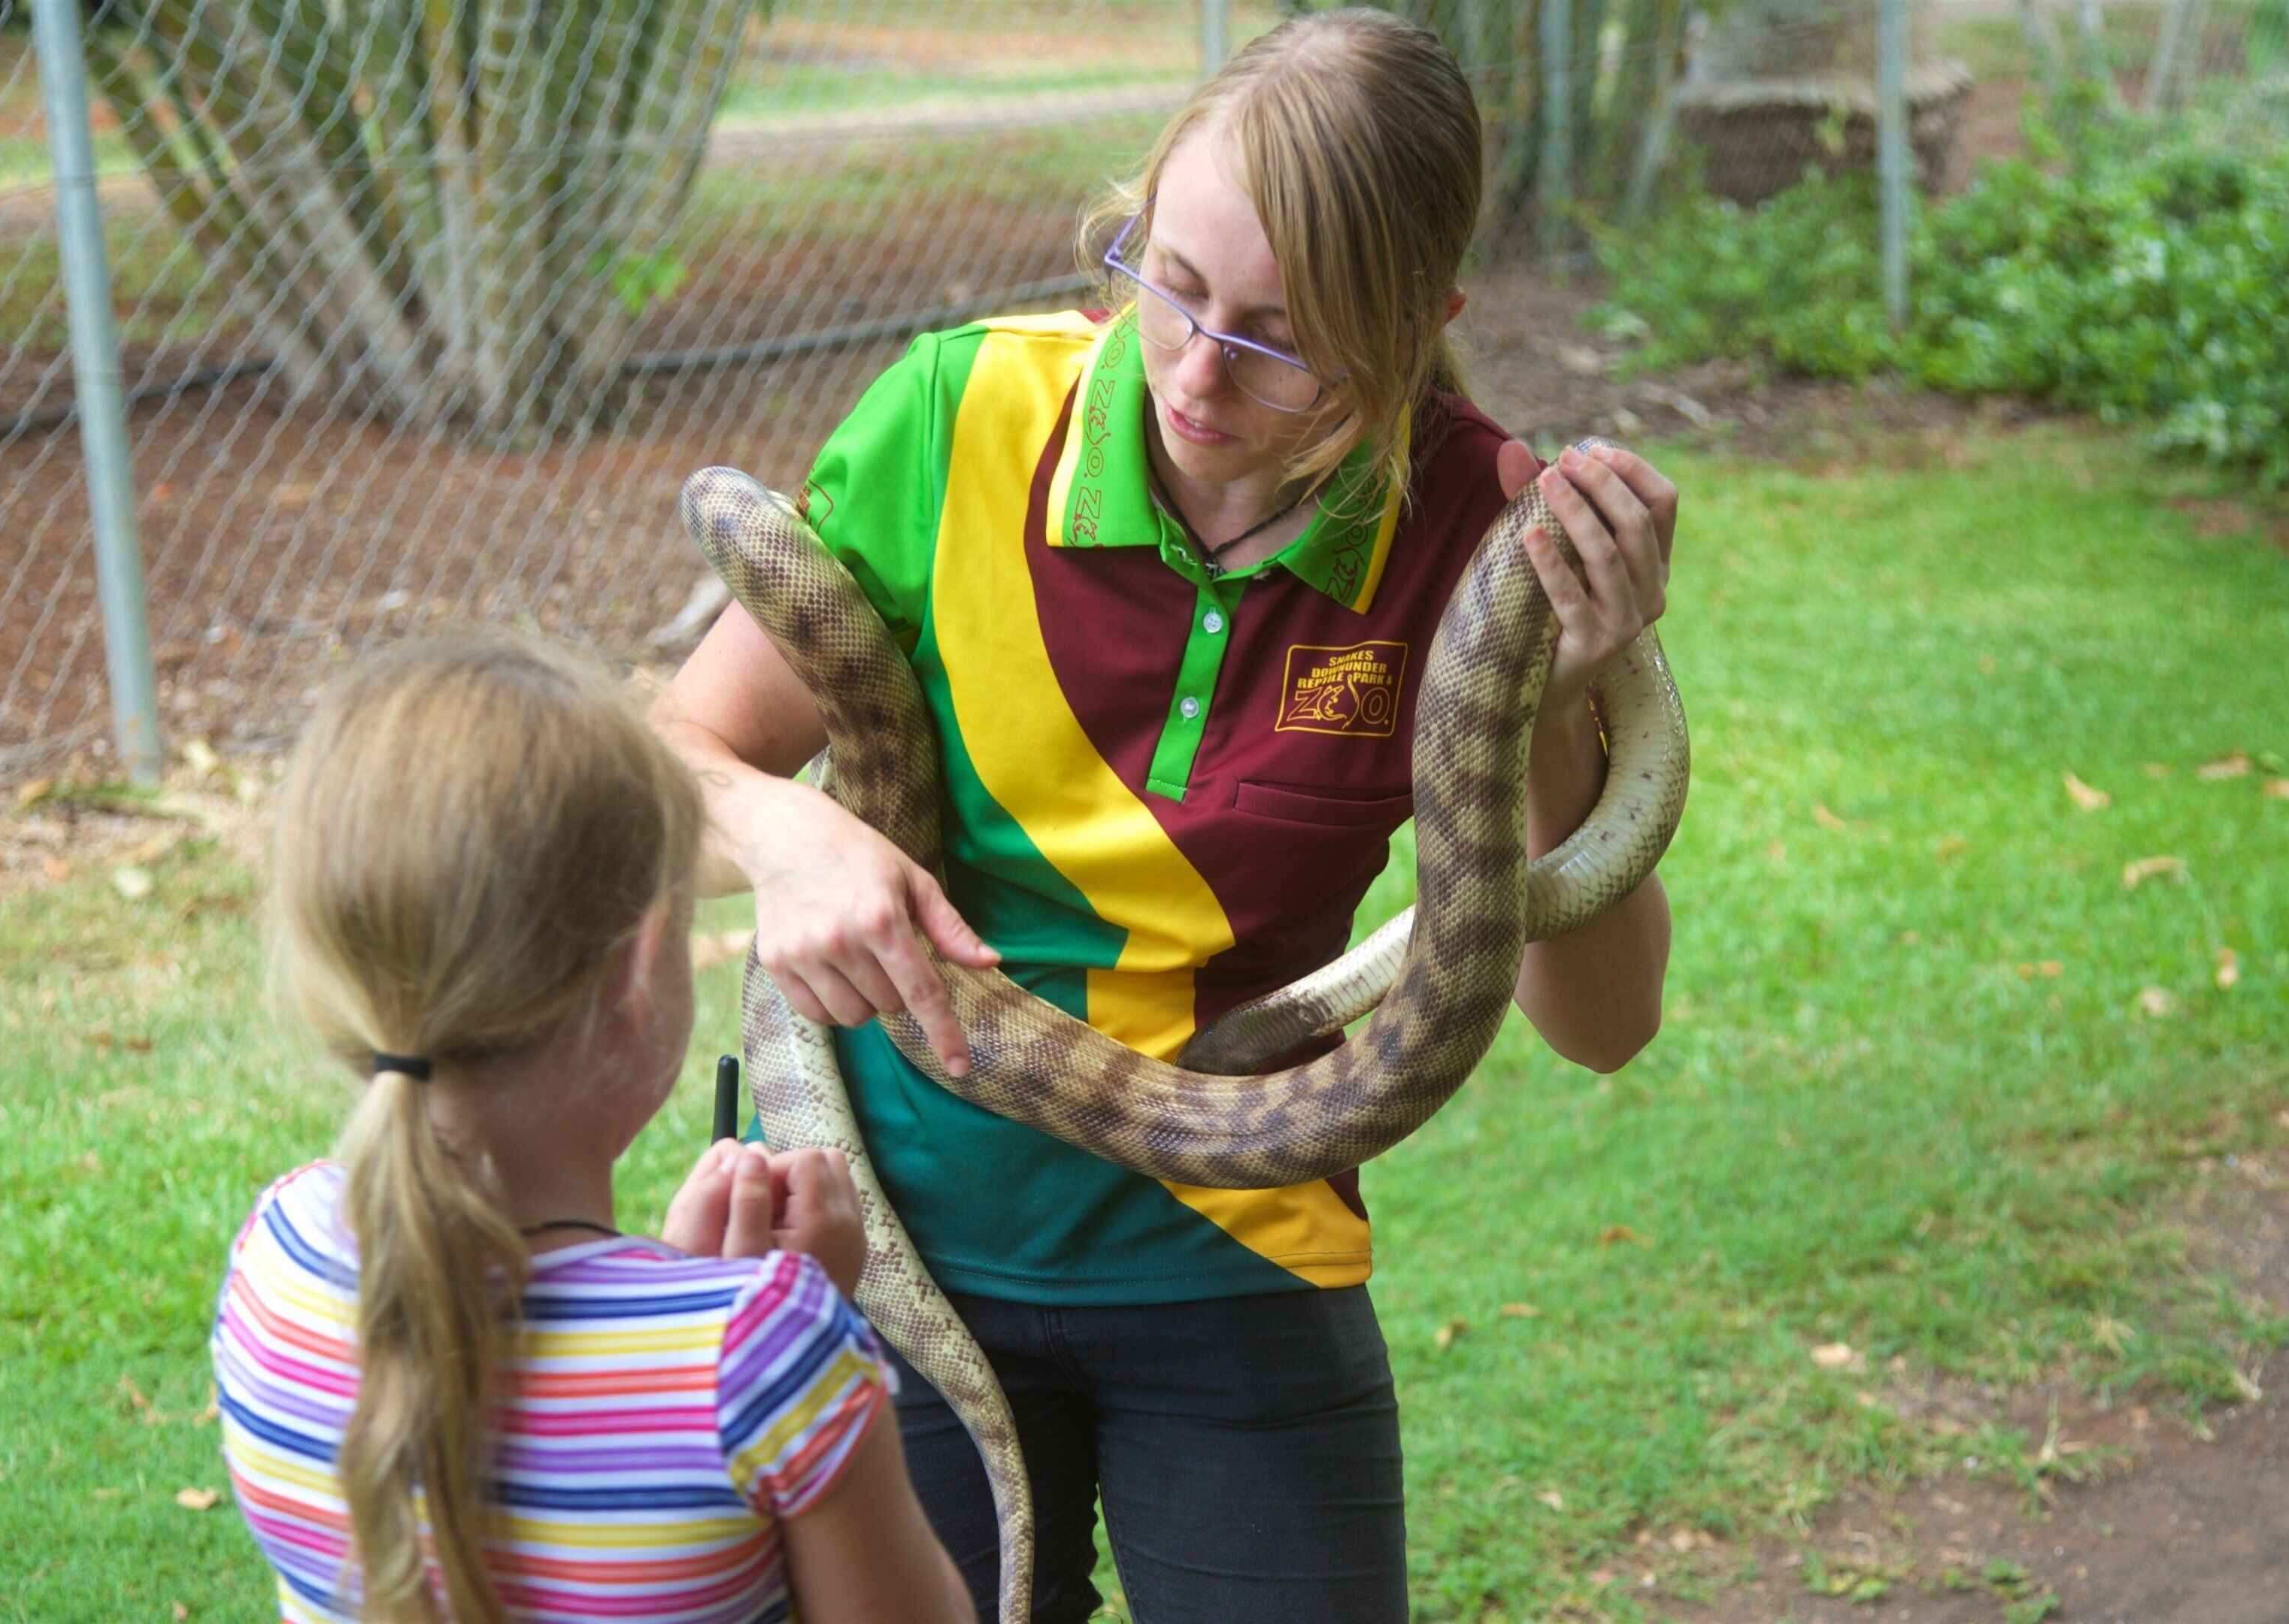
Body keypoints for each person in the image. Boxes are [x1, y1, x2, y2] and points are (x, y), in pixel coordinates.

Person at [650, 10, 1675, 1619]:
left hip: (1239, 1263)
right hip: (890, 1240)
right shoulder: (961, 420)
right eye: (1169, 284)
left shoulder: (1484, 531)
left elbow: (1602, 1026)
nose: (1195, 374)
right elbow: (677, 751)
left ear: (1418, 327)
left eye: (1280, 339)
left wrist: (1554, 706)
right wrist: (789, 834)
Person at [214, 637, 975, 1624]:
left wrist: (688, 1292)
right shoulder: (763, 1356)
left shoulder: (274, 1262)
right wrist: (795, 1325)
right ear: (638, 966)